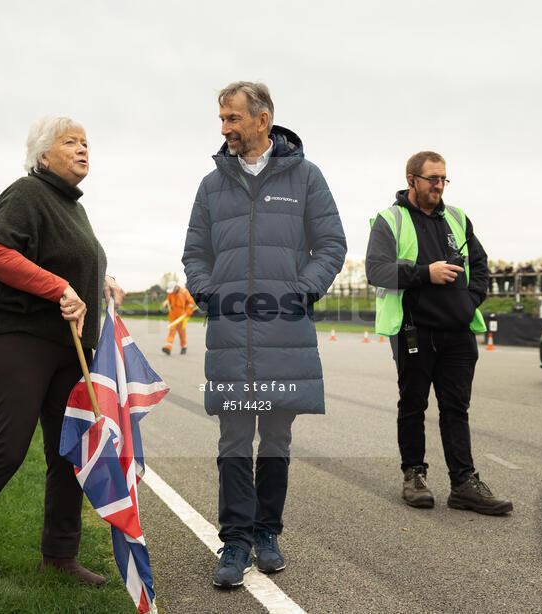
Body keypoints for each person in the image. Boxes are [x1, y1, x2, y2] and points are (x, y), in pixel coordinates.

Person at [0, 115, 126, 586]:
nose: (84, 149)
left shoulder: (74, 208)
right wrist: (60, 286)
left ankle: (60, 555)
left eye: (87, 142)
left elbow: (62, 260)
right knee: (6, 447)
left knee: (68, 452)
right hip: (18, 338)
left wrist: (98, 280)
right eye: (71, 142)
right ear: (43, 155)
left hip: (69, 346)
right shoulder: (25, 194)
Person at [183, 81, 346, 588]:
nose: (225, 129)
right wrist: (210, 294)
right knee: (234, 436)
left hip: (284, 334)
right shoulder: (212, 185)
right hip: (231, 336)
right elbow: (194, 254)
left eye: (232, 118)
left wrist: (301, 291)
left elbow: (332, 244)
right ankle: (234, 541)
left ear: (263, 119)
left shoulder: (306, 177)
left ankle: (267, 532)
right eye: (222, 120)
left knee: (275, 436)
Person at [365, 150, 512, 516]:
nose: (439, 186)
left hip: (458, 332)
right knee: (413, 405)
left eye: (444, 179)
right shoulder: (390, 220)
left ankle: (464, 484)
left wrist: (469, 300)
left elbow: (480, 266)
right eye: (432, 179)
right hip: (414, 330)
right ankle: (414, 475)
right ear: (411, 180)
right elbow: (377, 270)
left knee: (456, 409)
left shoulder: (459, 218)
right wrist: (425, 273)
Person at [161, 282, 195, 355]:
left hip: (181, 317)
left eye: (172, 290)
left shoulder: (184, 292)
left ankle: (184, 347)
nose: (171, 291)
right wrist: (166, 303)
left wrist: (187, 313)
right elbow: (169, 300)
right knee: (172, 331)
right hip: (173, 316)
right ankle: (168, 348)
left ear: (176, 287)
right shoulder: (171, 293)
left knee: (181, 333)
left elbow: (191, 303)